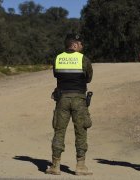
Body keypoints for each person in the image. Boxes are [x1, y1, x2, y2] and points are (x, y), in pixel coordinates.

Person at [46, 33, 93, 176]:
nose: (82, 46)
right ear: (74, 45)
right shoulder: (83, 59)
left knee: (59, 131)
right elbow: (89, 78)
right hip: (79, 99)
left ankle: (55, 166)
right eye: (80, 44)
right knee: (81, 131)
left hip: (62, 99)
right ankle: (80, 166)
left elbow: (56, 75)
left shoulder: (58, 58)